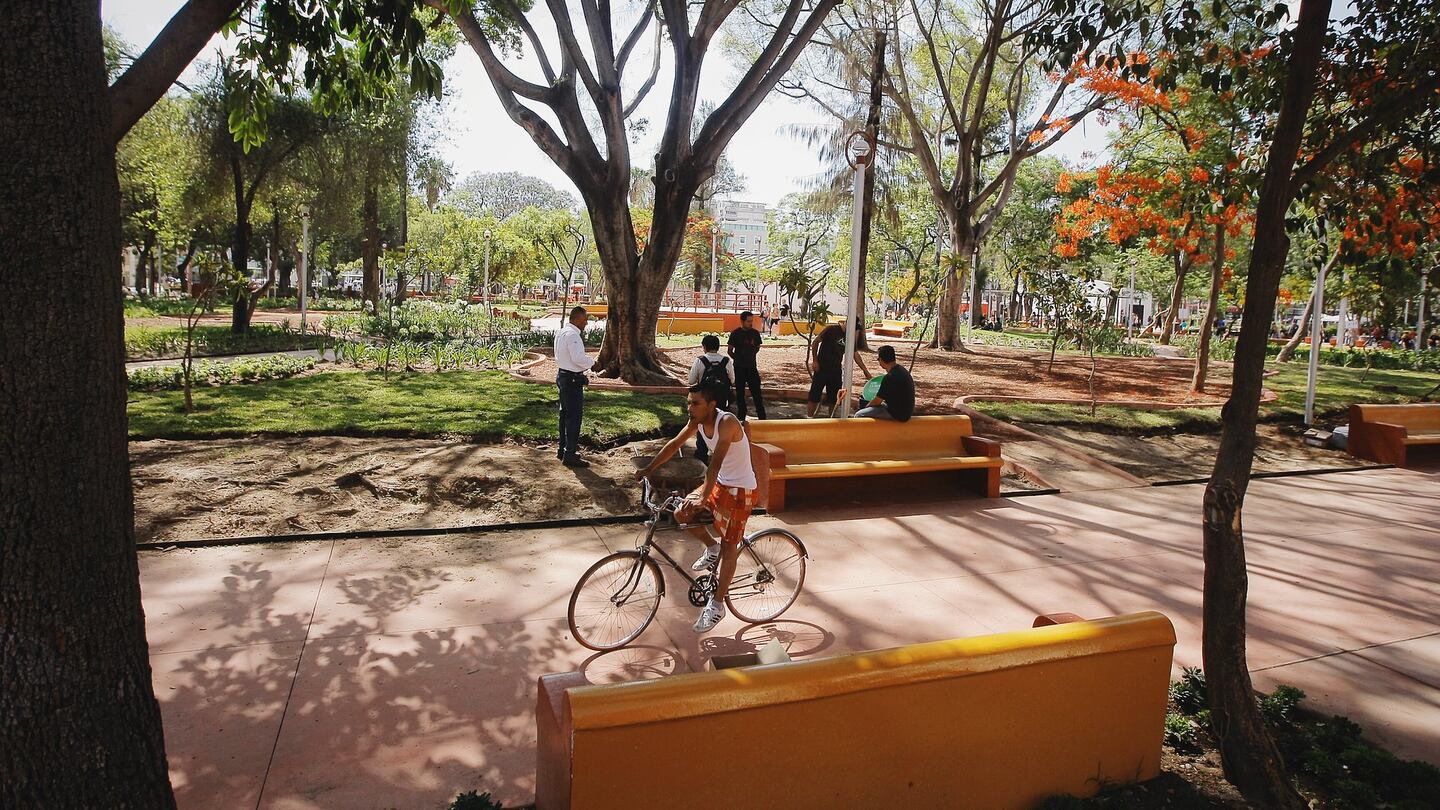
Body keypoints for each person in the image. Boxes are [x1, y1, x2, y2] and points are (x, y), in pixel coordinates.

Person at [635, 381, 758, 633]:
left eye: (695, 403)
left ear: (712, 405)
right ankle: (711, 547)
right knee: (681, 513)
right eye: (688, 402)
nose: (690, 408)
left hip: (741, 489)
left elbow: (715, 463)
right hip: (720, 483)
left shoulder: (727, 423)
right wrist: (649, 469)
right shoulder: (698, 421)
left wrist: (703, 495)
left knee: (730, 544)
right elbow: (674, 445)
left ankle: (718, 604)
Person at [554, 305, 593, 468]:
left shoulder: (562, 332)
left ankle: (563, 449)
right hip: (571, 380)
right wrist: (593, 363)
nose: (586, 323)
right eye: (584, 320)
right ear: (576, 319)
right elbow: (578, 358)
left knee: (564, 415)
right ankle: (570, 453)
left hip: (563, 376)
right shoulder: (572, 335)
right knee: (573, 417)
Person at [687, 334, 734, 462]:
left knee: (702, 424)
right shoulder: (726, 361)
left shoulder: (700, 361)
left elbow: (691, 381)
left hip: (704, 401)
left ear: (704, 347)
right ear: (718, 347)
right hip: (721, 399)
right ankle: (720, 454)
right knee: (720, 425)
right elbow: (732, 380)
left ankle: (701, 454)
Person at [807, 323, 871, 418]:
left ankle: (831, 418)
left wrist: (865, 370)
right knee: (814, 395)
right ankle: (809, 418)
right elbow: (815, 342)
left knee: (834, 398)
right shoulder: (831, 329)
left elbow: (855, 355)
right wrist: (815, 361)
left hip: (835, 370)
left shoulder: (850, 338)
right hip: (822, 368)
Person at [855, 345, 915, 421]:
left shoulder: (890, 377)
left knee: (859, 415)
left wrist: (866, 408)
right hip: (906, 412)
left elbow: (877, 401)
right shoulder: (902, 370)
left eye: (878, 359)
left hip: (897, 414)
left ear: (881, 360)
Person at [727, 310, 767, 421]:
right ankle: (741, 417)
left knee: (756, 393)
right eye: (748, 321)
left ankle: (762, 417)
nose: (751, 323)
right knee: (740, 394)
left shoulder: (755, 333)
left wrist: (750, 356)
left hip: (752, 367)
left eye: (751, 321)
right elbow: (729, 350)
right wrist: (738, 359)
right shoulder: (735, 333)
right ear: (742, 321)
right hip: (739, 368)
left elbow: (757, 347)